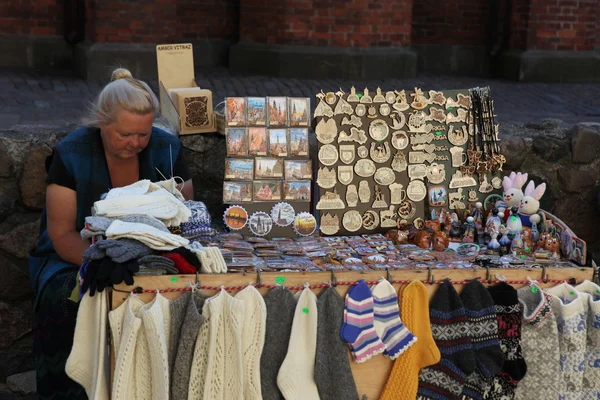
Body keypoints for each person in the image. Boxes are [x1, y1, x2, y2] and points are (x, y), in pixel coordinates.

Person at [28, 68, 193, 399]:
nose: (135, 143)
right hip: (75, 255)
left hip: (155, 254)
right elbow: (61, 234)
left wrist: (149, 265)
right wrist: (106, 268)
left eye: (143, 134)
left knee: (185, 297)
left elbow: (184, 218)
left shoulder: (167, 148)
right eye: (125, 134)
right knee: (65, 298)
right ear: (102, 122)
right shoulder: (71, 153)